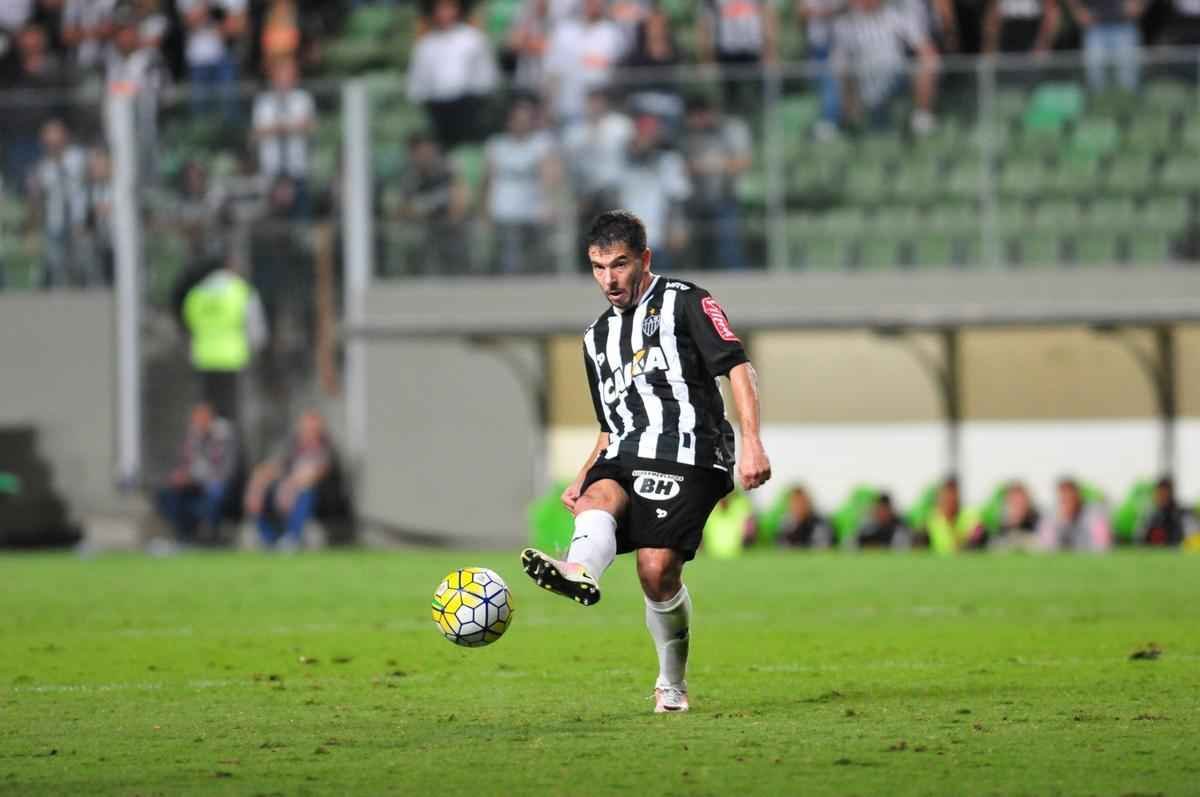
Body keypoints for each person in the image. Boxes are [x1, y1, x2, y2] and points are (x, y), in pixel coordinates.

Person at [520, 209, 773, 714]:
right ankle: (579, 570)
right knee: (597, 497)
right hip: (625, 449)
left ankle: (671, 684)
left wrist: (753, 442)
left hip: (691, 450)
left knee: (656, 571)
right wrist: (583, 474)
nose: (609, 280)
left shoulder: (687, 301)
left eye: (619, 264)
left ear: (645, 259)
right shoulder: (595, 339)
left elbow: (737, 368)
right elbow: (609, 423)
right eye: (598, 267)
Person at [832, 0, 940, 135]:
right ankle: (851, 122)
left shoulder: (898, 15)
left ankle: (922, 117)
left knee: (929, 62)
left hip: (898, 79)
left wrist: (925, 58)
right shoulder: (845, 24)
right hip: (864, 82)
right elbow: (839, 62)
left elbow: (925, 49)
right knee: (841, 71)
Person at [181, 256, 268, 424]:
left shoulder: (196, 294)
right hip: (233, 359)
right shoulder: (240, 291)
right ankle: (227, 436)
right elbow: (256, 330)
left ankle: (208, 437)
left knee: (206, 411)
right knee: (231, 412)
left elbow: (188, 325)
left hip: (204, 359)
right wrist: (255, 352)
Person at [406, 0, 499, 150]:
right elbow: (417, 83)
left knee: (468, 148)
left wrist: (478, 100)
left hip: (468, 105)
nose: (445, 13)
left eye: (449, 8)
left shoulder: (473, 38)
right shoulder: (425, 44)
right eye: (440, 8)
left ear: (458, 9)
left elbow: (487, 76)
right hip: (437, 107)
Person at [482, 95, 559, 274]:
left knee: (535, 256)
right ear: (509, 121)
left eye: (526, 120)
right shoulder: (496, 145)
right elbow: (488, 180)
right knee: (509, 256)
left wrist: (548, 203)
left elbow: (549, 177)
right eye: (518, 120)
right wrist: (485, 209)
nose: (522, 124)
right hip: (504, 208)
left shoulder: (541, 144)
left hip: (532, 208)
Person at [243, 409, 333, 550]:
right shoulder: (292, 445)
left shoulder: (325, 448)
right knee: (262, 490)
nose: (308, 432)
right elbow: (277, 465)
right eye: (306, 428)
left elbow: (317, 473)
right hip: (285, 488)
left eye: (313, 429)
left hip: (317, 494)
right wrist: (259, 480)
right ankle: (267, 538)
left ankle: (292, 538)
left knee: (305, 491)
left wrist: (291, 485)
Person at [683, 95, 751, 271]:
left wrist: (709, 165)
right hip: (698, 201)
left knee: (730, 250)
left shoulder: (732, 128)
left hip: (725, 198)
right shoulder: (690, 134)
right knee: (703, 256)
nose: (694, 122)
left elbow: (743, 162)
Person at [562, 89, 634, 255]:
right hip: (585, 190)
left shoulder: (621, 125)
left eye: (598, 101)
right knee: (588, 233)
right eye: (591, 102)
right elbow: (570, 162)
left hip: (613, 188)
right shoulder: (574, 130)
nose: (595, 106)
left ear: (605, 103)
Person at [388, 131, 470, 275]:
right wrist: (418, 209)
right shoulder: (408, 176)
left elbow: (460, 198)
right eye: (421, 152)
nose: (426, 156)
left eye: (429, 151)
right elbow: (400, 209)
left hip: (449, 230)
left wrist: (453, 214)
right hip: (422, 231)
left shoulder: (447, 170)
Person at [155, 402, 238, 544]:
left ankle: (210, 535)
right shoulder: (192, 437)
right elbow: (184, 463)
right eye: (197, 418)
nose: (199, 422)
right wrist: (181, 476)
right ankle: (183, 536)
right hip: (193, 484)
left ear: (211, 418)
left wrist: (196, 478)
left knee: (215, 493)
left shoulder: (224, 436)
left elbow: (227, 470)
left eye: (203, 418)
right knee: (167, 494)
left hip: (217, 483)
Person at [617, 114, 690, 271]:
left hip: (660, 237)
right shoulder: (621, 162)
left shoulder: (670, 161)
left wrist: (677, 228)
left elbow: (677, 197)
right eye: (642, 135)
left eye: (650, 136)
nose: (646, 140)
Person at [27, 118, 90, 288]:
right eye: (48, 135)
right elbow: (38, 198)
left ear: (65, 135)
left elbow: (91, 184)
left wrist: (88, 217)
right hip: (55, 221)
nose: (52, 139)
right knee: (56, 266)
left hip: (79, 220)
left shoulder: (79, 157)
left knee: (82, 265)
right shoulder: (43, 167)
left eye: (56, 134)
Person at [251, 55, 315, 214]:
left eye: (290, 75)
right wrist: (289, 126)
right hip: (272, 168)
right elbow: (257, 131)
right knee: (272, 217)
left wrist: (277, 127)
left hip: (297, 167)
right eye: (282, 74)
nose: (285, 79)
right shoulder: (264, 101)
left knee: (301, 214)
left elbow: (308, 126)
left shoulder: (303, 98)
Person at [544, 0, 625, 124]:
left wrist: (578, 60)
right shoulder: (563, 30)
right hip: (566, 108)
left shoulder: (611, 32)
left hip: (600, 112)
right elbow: (552, 71)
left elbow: (609, 66)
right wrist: (549, 108)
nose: (592, 3)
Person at [697, 0, 778, 115]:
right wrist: (707, 59)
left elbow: (767, 14)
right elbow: (705, 22)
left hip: (753, 51)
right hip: (725, 53)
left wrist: (770, 52)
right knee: (727, 101)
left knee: (756, 100)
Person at [175, 0, 247, 119]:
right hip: (197, 60)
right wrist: (204, 9)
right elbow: (187, 22)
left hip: (224, 57)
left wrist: (222, 23)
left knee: (228, 105)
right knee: (199, 108)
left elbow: (238, 27)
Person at [1063, 0, 1142, 93]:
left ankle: (1129, 99)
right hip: (1095, 27)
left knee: (1129, 76)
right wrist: (1078, 10)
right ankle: (1099, 100)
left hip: (1124, 24)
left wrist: (1138, 3)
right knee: (1095, 76)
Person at [797, 0, 846, 137]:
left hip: (839, 45)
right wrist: (823, 13)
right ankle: (824, 122)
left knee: (831, 81)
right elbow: (803, 12)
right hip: (816, 46)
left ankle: (829, 122)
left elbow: (846, 8)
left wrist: (826, 12)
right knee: (821, 85)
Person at [1037, 477, 1111, 551]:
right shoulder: (1052, 516)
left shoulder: (1094, 513)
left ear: (1078, 496)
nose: (1067, 502)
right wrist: (1063, 521)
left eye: (1070, 497)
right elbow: (1047, 546)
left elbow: (1102, 545)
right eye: (1064, 499)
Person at [924, 476, 984, 553]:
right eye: (946, 496)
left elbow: (978, 535)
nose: (950, 500)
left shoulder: (970, 515)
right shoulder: (931, 519)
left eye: (953, 496)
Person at [982, 0, 1060, 58]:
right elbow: (991, 19)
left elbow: (1051, 15)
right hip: (1006, 48)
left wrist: (1043, 46)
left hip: (1033, 46)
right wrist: (990, 49)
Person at [1137, 476, 1192, 547]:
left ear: (1171, 494)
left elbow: (1189, 538)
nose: (1162, 497)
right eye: (1159, 493)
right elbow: (1139, 540)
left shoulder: (1181, 515)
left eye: (1165, 493)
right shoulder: (1149, 515)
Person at [988, 480, 1040, 551]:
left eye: (1020, 502)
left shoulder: (1036, 521)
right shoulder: (999, 523)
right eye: (1014, 502)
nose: (1018, 505)